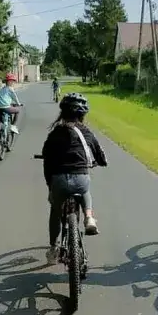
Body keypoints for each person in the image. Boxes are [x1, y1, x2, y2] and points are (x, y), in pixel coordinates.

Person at [41, 93, 107, 264]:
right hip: (80, 179)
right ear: (83, 114)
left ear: (62, 113)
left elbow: (46, 158)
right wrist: (100, 162)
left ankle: (54, 248)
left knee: (55, 211)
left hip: (59, 181)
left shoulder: (56, 133)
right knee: (85, 189)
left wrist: (50, 184)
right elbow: (100, 156)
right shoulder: (86, 132)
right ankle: (89, 217)